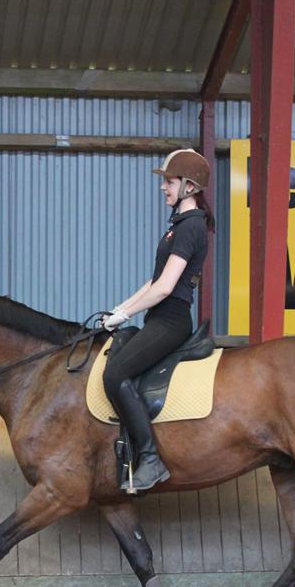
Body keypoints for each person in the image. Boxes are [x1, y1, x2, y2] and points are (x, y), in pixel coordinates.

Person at [101, 148, 213, 492]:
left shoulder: (191, 227)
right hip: (159, 317)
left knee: (116, 373)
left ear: (189, 186)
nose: (163, 188)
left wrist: (125, 314)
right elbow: (153, 281)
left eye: (169, 182)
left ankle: (150, 459)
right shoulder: (177, 228)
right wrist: (119, 309)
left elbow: (165, 288)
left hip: (171, 320)